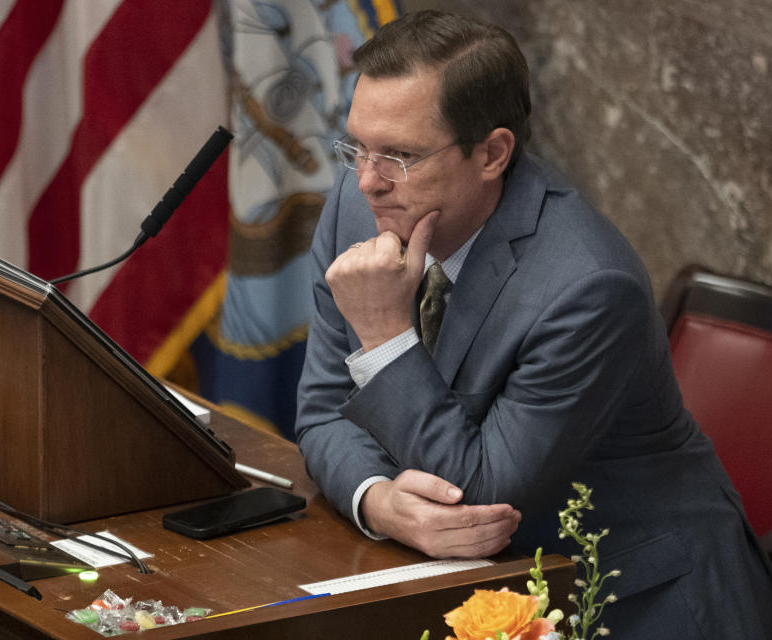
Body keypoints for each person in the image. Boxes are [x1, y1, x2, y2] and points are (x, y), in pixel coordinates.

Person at [295, 10, 772, 637]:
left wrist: (385, 335)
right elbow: (323, 410)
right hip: (479, 590)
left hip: (635, 601)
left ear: (492, 153)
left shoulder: (588, 285)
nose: (367, 181)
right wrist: (376, 502)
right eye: (357, 146)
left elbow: (479, 492)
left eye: (402, 156)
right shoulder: (355, 212)